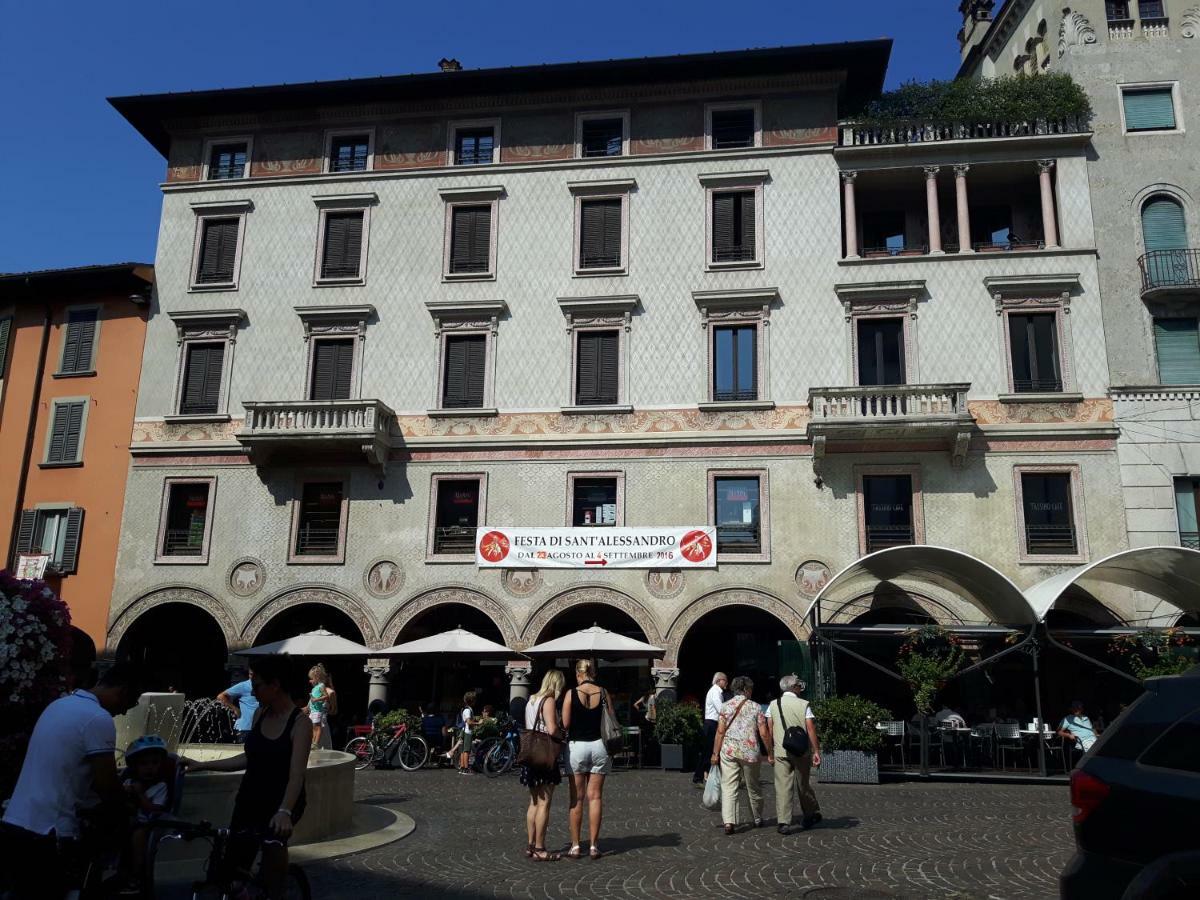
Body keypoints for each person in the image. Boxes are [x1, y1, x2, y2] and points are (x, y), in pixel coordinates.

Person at [0, 662, 144, 899]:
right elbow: (107, 785)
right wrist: (128, 805)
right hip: (50, 832)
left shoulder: (59, 705)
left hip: (16, 820)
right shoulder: (98, 718)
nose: (125, 712)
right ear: (123, 692)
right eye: (129, 703)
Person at [181, 656, 311, 900]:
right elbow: (248, 758)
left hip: (282, 800)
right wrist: (202, 764)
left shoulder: (299, 723)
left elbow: (297, 775)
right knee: (232, 862)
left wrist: (284, 811)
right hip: (251, 795)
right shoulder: (260, 713)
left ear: (276, 685)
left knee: (273, 847)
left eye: (258, 685)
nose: (252, 690)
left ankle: (276, 891)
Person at [562, 659, 615, 860]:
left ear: (578, 674)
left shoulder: (571, 693)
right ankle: (593, 845)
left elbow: (565, 723)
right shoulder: (603, 692)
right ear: (593, 673)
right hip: (599, 745)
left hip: (577, 746)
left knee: (577, 798)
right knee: (595, 797)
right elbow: (611, 717)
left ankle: (575, 846)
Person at [710, 675, 772, 835]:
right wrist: (770, 752)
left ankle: (729, 822)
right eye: (750, 689)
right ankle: (757, 817)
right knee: (753, 786)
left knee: (729, 786)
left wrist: (715, 753)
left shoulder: (725, 706)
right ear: (746, 690)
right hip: (749, 751)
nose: (751, 692)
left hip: (729, 750)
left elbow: (720, 731)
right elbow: (764, 733)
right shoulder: (756, 707)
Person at [766, 674, 822, 835]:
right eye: (798, 684)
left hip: (781, 750)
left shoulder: (773, 705)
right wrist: (816, 751)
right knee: (803, 784)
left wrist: (770, 751)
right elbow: (811, 728)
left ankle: (783, 822)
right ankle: (811, 812)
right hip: (801, 750)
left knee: (782, 786)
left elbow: (770, 728)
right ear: (793, 687)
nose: (799, 687)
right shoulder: (804, 704)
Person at [521, 669, 565, 862]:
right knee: (545, 803)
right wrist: (562, 734)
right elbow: (552, 728)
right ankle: (540, 847)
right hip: (544, 756)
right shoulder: (548, 700)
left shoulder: (531, 699)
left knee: (533, 802)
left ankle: (530, 845)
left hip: (531, 755)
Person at [120, 734, 171, 892]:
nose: (150, 768)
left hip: (146, 823)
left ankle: (136, 875)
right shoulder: (129, 781)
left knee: (138, 835)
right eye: (143, 764)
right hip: (126, 820)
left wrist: (140, 795)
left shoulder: (160, 786)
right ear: (134, 766)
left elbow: (154, 809)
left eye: (154, 763)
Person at [693, 671, 729, 785]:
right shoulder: (715, 692)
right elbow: (721, 709)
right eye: (725, 680)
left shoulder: (717, 691)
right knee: (707, 752)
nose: (726, 682)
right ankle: (698, 777)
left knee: (710, 752)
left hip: (712, 724)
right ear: (719, 680)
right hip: (711, 724)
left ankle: (707, 776)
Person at [218, 669, 260, 743]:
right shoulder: (244, 686)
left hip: (262, 729)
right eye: (251, 674)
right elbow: (221, 696)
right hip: (245, 729)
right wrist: (234, 708)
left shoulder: (268, 687)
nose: (252, 677)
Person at [305, 664, 333, 750]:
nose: (311, 680)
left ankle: (316, 743)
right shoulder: (314, 688)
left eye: (312, 678)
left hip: (318, 710)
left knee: (318, 726)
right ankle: (313, 742)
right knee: (313, 727)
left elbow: (326, 696)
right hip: (313, 711)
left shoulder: (321, 686)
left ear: (317, 677)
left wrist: (316, 699)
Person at [457, 690, 478, 774]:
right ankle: (466, 768)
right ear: (472, 700)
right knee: (466, 750)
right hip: (467, 732)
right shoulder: (468, 710)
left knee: (462, 750)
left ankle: (462, 768)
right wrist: (477, 723)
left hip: (463, 731)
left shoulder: (465, 709)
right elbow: (469, 722)